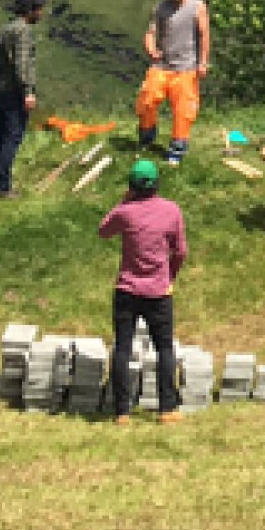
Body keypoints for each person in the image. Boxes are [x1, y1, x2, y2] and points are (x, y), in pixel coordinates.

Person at [98, 157, 186, 425]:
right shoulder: (171, 211)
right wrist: (170, 275)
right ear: (157, 184)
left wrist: (124, 203)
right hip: (159, 291)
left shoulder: (126, 212)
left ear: (131, 186)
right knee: (164, 349)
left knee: (122, 348)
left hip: (127, 288)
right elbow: (180, 251)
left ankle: (122, 412)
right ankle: (167, 409)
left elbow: (103, 231)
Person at [136, 0, 210, 166]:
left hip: (186, 67)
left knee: (183, 111)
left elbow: (204, 35)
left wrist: (203, 62)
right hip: (162, 64)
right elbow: (151, 33)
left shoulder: (197, 6)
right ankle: (146, 135)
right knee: (147, 100)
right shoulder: (160, 8)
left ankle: (177, 147)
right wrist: (151, 49)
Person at [0, 0, 47, 199]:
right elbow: (22, 65)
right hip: (14, 94)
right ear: (30, 10)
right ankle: (2, 187)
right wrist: (27, 92)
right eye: (39, 10)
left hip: (0, 91)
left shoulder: (4, 29)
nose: (41, 14)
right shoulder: (22, 32)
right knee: (12, 137)